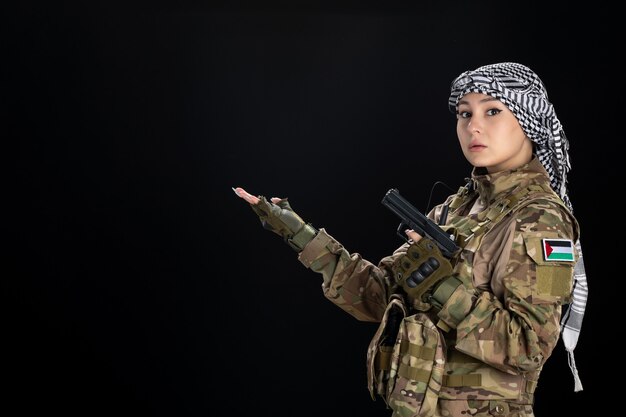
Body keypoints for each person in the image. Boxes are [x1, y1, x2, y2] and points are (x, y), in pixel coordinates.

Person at [234, 62, 588, 417]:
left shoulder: (542, 220)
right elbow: (379, 297)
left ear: (529, 121)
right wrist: (297, 232)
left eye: (492, 111)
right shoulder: (454, 210)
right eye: (464, 114)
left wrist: (442, 287)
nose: (473, 126)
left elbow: (529, 348)